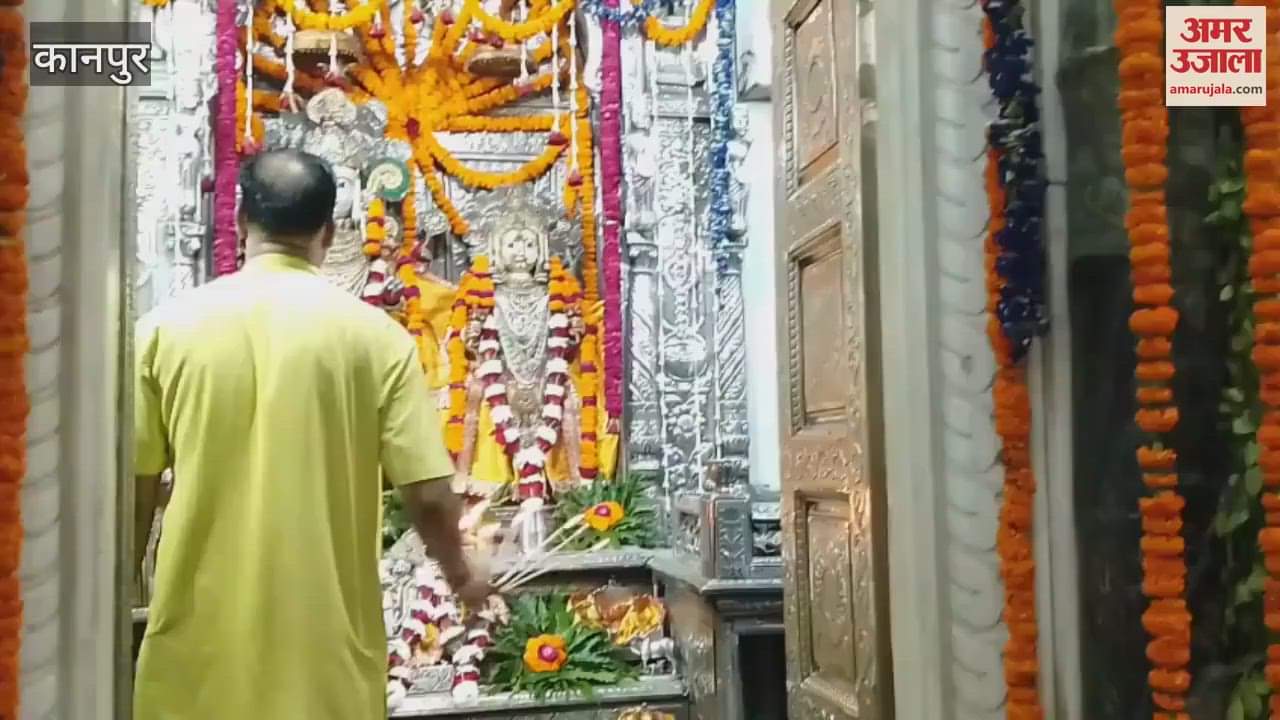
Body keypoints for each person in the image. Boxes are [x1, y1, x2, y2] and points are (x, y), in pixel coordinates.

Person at [131, 149, 489, 720]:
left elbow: (134, 492)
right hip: (325, 662)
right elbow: (425, 492)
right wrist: (463, 577)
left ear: (241, 220)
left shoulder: (163, 331)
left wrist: (110, 605)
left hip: (194, 659)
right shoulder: (377, 339)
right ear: (327, 230)